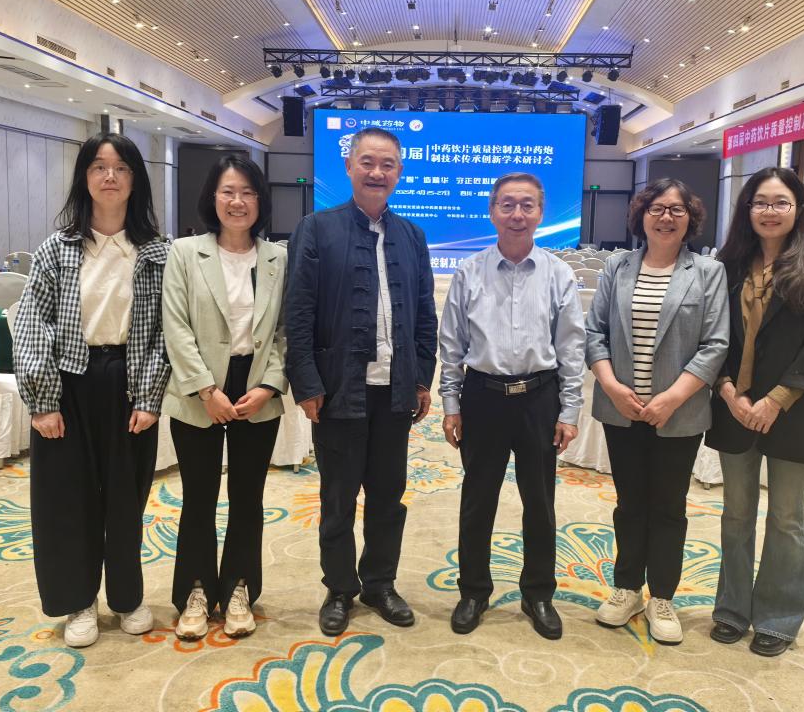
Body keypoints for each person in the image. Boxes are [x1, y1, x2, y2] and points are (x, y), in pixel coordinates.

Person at [14, 133, 169, 648]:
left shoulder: (157, 251)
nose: (110, 176)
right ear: (84, 177)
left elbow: (168, 332)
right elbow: (32, 324)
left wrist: (149, 397)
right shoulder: (56, 249)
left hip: (129, 381)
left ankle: (127, 597)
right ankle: (79, 601)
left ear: (135, 180)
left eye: (121, 167)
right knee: (66, 500)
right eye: (99, 167)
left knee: (127, 499)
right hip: (69, 383)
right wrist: (43, 401)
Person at [285, 127, 438, 636]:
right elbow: (298, 312)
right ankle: (339, 588)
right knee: (337, 498)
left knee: (388, 497)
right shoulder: (316, 228)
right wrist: (306, 383)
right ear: (349, 166)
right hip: (337, 390)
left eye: (387, 164)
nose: (377, 172)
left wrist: (421, 379)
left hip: (394, 392)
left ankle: (379, 583)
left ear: (399, 172)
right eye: (368, 162)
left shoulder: (411, 236)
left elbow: (424, 315)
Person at [439, 172, 585, 640]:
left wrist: (569, 411)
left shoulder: (558, 273)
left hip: (539, 398)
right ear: (492, 211)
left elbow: (571, 347)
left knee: (540, 503)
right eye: (507, 205)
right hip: (482, 398)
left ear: (540, 213)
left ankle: (537, 593)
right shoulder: (469, 271)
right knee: (477, 500)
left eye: (527, 205)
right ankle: (473, 591)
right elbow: (451, 344)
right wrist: (451, 403)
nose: (517, 214)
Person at [585, 179, 729, 645]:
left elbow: (715, 344)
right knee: (629, 504)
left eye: (677, 209)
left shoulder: (707, 271)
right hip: (622, 408)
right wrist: (612, 386)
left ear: (691, 218)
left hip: (678, 412)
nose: (666, 217)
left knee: (669, 506)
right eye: (657, 208)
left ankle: (662, 596)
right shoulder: (618, 266)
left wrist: (672, 398)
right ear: (641, 215)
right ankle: (627, 588)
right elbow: (595, 333)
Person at [706, 166, 804, 657]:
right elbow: (713, 335)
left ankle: (779, 619)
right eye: (760, 202)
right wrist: (727, 391)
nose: (769, 211)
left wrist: (775, 400)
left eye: (781, 202)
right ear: (747, 209)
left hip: (792, 411)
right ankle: (732, 609)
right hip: (734, 405)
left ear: (798, 208)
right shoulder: (727, 264)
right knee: (736, 513)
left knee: (786, 516)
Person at [161, 155, 287, 640]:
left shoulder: (278, 258)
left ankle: (239, 588)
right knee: (198, 496)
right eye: (228, 192)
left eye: (248, 192)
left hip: (256, 388)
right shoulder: (184, 252)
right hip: (200, 391)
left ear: (260, 200)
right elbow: (175, 325)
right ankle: (195, 590)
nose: (238, 201)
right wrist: (205, 388)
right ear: (212, 198)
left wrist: (269, 385)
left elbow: (285, 332)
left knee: (247, 498)